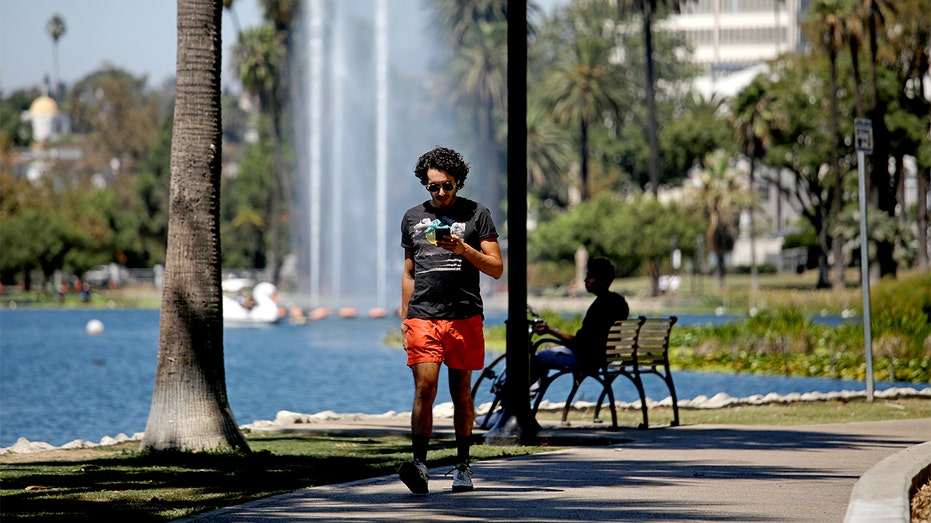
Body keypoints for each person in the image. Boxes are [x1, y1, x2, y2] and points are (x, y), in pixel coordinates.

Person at [398, 146, 503, 494]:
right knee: (424, 388)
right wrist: (405, 316)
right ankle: (420, 466)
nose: (441, 193)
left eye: (447, 186)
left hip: (464, 316)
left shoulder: (478, 214)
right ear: (425, 184)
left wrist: (463, 249)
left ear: (458, 181)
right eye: (433, 187)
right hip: (423, 316)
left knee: (461, 392)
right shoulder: (413, 218)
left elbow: (496, 269)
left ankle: (462, 466)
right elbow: (409, 272)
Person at [530, 258, 630, 388]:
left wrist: (550, 331)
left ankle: (515, 399)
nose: (585, 280)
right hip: (604, 357)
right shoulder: (619, 302)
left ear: (603, 281)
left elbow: (579, 345)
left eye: (590, 277)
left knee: (536, 359)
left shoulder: (599, 307)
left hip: (587, 359)